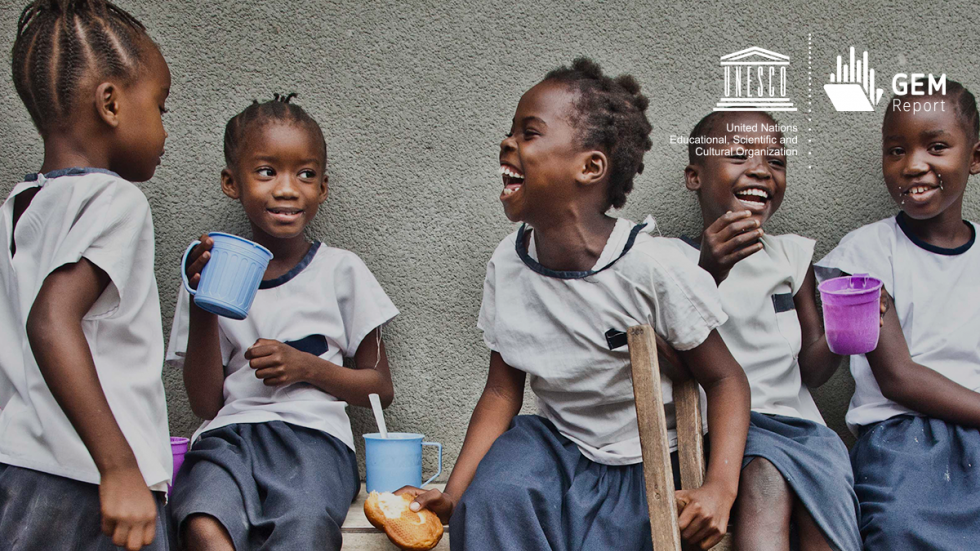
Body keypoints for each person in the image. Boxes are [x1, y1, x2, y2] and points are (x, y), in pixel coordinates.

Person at [400, 58, 750, 551]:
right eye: (511, 131)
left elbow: (726, 379)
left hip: (647, 457)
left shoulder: (651, 266)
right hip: (558, 447)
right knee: (495, 494)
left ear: (590, 166)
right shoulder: (509, 261)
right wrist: (454, 496)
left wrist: (719, 489)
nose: (508, 143)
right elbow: (502, 393)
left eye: (530, 133)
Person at [168, 94, 399, 551]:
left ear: (323, 188)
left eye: (306, 174)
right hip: (228, 439)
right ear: (231, 182)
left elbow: (380, 390)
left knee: (305, 524)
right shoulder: (210, 275)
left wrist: (307, 368)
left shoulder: (342, 271)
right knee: (200, 519)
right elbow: (205, 403)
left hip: (314, 442)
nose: (288, 188)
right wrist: (201, 305)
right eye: (267, 171)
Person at [0, 1, 173, 550]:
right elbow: (50, 322)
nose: (165, 130)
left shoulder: (19, 206)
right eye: (161, 106)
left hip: (20, 472)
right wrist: (120, 469)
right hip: (90, 487)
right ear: (111, 104)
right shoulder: (115, 200)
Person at [668, 110, 861, 551]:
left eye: (776, 160)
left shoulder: (791, 256)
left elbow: (810, 372)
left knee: (824, 517)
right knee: (765, 476)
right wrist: (709, 273)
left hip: (802, 428)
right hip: (722, 430)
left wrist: (842, 329)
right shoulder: (668, 258)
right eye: (738, 155)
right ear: (694, 177)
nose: (760, 168)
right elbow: (670, 353)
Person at [816, 79, 980, 551]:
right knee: (898, 525)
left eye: (937, 146)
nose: (913, 165)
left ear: (974, 158)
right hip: (901, 440)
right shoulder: (865, 252)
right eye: (895, 150)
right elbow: (899, 378)